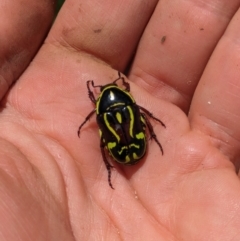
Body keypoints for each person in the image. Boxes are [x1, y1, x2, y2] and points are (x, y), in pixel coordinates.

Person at [1, 1, 240, 240]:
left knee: (107, 141)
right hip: (135, 146)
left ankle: (116, 163)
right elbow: (146, 116)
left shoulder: (100, 113)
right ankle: (142, 145)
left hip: (122, 151)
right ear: (125, 94)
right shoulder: (130, 104)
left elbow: (133, 117)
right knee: (139, 121)